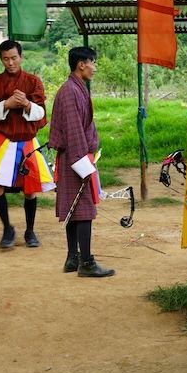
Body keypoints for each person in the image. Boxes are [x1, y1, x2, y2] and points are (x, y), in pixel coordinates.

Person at [0, 39, 54, 249]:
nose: (10, 63)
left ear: (20, 57)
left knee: (30, 189)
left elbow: (41, 112)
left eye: (13, 58)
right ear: (1, 59)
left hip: (27, 142)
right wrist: (6, 104)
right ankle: (7, 229)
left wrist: (27, 104)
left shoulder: (33, 81)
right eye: (5, 59)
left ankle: (30, 231)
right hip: (2, 141)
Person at [50, 46, 115, 278]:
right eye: (93, 63)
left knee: (74, 208)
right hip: (75, 157)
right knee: (83, 209)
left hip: (75, 157)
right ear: (81, 64)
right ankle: (85, 262)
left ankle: (72, 258)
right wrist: (83, 166)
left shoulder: (76, 89)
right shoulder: (70, 91)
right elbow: (74, 130)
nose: (94, 68)